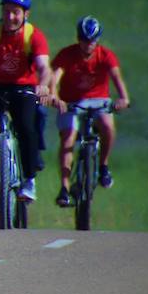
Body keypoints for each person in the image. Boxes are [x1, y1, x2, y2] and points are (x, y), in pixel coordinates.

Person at [0, 0, 51, 201]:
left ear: (25, 14)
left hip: (23, 87)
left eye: (15, 12)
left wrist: (43, 85)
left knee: (26, 127)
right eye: (6, 11)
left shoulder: (34, 36)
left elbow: (44, 67)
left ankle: (29, 179)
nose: (10, 17)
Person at [49, 16, 131, 206]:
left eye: (92, 41)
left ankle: (103, 165)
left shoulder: (105, 55)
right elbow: (55, 76)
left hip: (98, 101)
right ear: (78, 38)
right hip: (72, 102)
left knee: (107, 126)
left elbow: (116, 77)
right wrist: (55, 97)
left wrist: (123, 98)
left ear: (97, 40)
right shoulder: (67, 54)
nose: (87, 45)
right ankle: (64, 187)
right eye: (84, 40)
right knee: (68, 137)